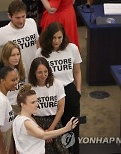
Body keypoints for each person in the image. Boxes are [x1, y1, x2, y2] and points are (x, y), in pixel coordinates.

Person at [37, 22, 82, 154]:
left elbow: (77, 71)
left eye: (59, 37)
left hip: (69, 90)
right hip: (51, 93)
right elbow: (37, 74)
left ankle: (73, 151)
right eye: (53, 38)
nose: (56, 41)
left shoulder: (72, 48)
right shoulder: (41, 52)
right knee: (55, 127)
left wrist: (78, 90)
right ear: (48, 37)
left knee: (72, 127)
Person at [13, 84, 78, 154]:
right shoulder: (26, 122)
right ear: (22, 104)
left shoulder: (19, 118)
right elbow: (43, 135)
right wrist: (66, 129)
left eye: (36, 101)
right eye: (32, 102)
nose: (36, 104)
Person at [28, 57, 68, 153]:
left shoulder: (57, 84)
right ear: (34, 73)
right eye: (39, 72)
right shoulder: (29, 88)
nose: (43, 75)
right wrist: (41, 131)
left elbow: (61, 109)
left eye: (45, 71)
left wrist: (50, 130)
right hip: (36, 123)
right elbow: (27, 113)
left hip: (54, 122)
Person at [0, 0, 39, 76]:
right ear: (9, 16)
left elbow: (38, 43)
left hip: (34, 74)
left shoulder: (31, 23)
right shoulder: (1, 33)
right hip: (16, 77)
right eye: (17, 18)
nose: (21, 21)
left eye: (23, 16)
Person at [0, 41, 26, 114]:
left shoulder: (20, 68)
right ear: (6, 56)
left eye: (18, 54)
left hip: (20, 107)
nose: (16, 58)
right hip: (4, 108)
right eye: (13, 55)